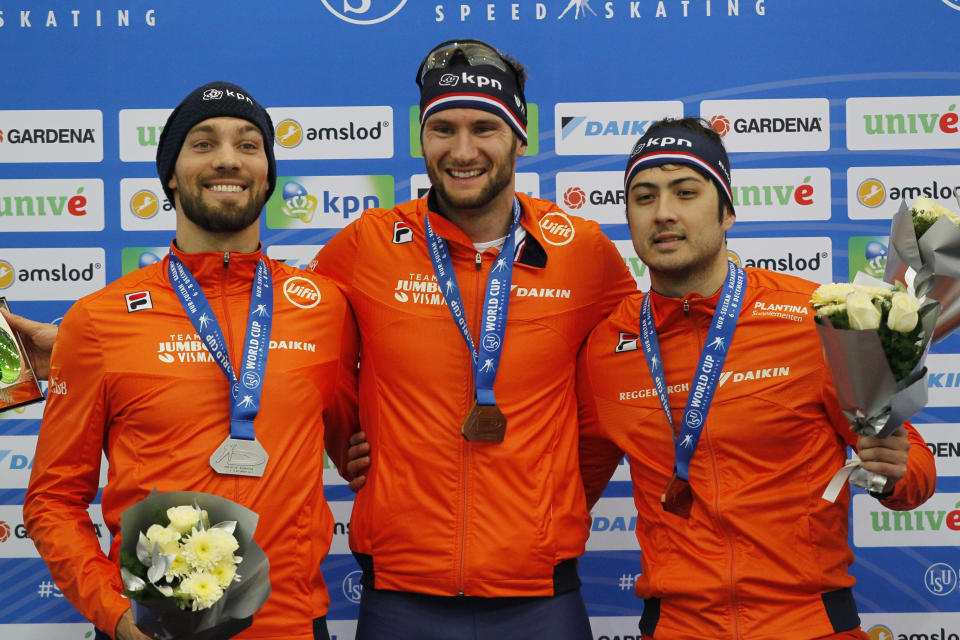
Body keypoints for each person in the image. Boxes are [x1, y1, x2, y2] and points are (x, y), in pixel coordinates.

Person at [311, 39, 637, 639]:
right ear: (422, 138)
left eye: (484, 127)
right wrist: (361, 449)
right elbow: (311, 366)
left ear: (520, 136)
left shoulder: (583, 252)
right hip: (401, 591)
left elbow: (610, 404)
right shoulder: (366, 245)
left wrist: (550, 490)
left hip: (540, 592)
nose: (463, 151)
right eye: (443, 129)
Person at [575, 117, 937, 640]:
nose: (664, 213)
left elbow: (914, 469)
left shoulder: (817, 319)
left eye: (686, 192)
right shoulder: (608, 346)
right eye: (644, 196)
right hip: (678, 627)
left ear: (728, 212)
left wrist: (894, 470)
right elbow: (566, 491)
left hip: (810, 626)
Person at [24, 81, 359, 640]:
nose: (228, 158)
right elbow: (52, 501)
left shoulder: (324, 307)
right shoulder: (99, 320)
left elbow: (363, 438)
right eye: (203, 143)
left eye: (249, 144)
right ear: (171, 176)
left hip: (295, 628)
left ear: (268, 175)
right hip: (157, 630)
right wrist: (115, 613)